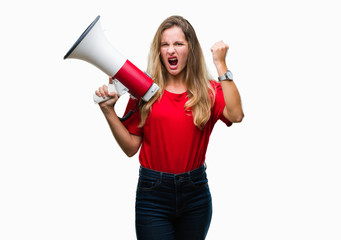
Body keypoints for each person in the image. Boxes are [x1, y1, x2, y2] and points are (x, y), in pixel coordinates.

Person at [95, 15, 244, 240]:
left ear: (190, 48)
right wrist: (108, 111)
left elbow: (236, 114)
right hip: (152, 195)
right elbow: (130, 148)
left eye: (178, 44)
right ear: (159, 51)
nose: (170, 50)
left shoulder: (209, 91)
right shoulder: (144, 90)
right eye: (164, 45)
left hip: (196, 195)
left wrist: (221, 65)